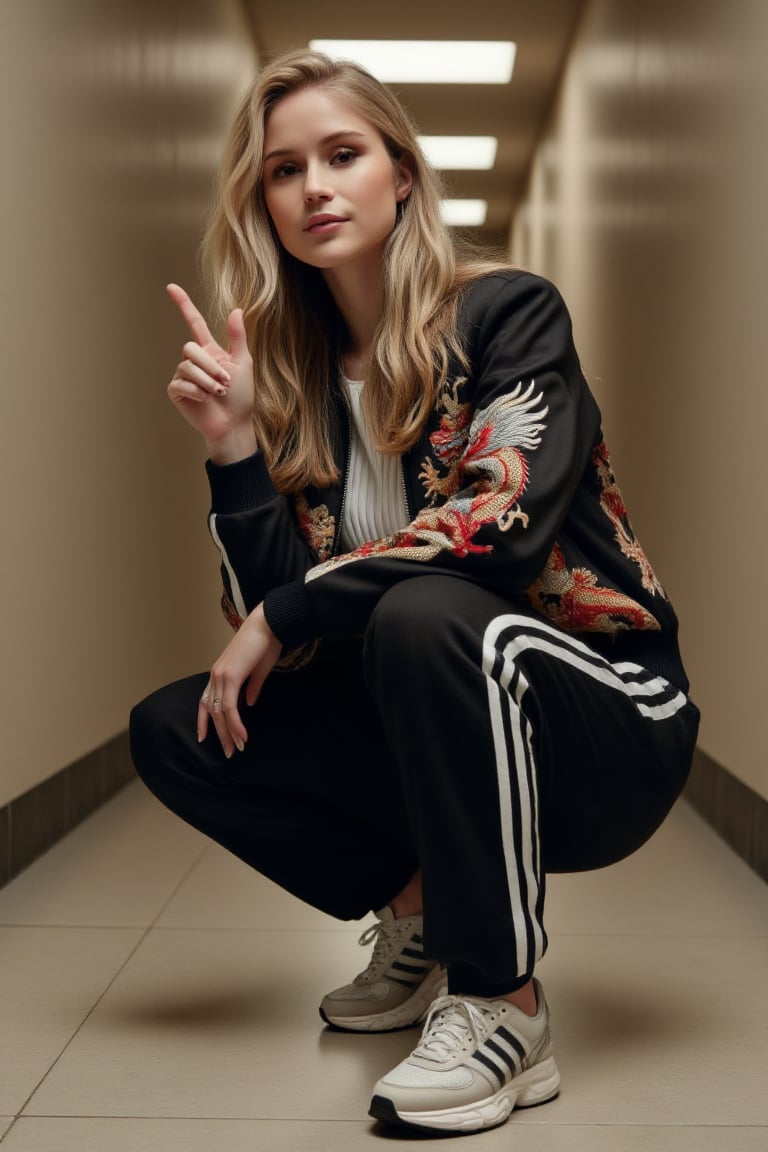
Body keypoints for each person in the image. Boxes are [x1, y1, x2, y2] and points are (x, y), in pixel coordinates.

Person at [129, 48, 700, 1136]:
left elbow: (496, 529)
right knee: (182, 725)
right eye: (283, 171)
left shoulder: (509, 315)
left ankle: (503, 1000)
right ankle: (422, 912)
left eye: (342, 154)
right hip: (439, 734)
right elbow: (283, 637)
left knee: (427, 608)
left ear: (402, 173)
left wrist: (281, 613)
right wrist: (237, 451)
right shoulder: (291, 382)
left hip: (608, 721)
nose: (314, 188)